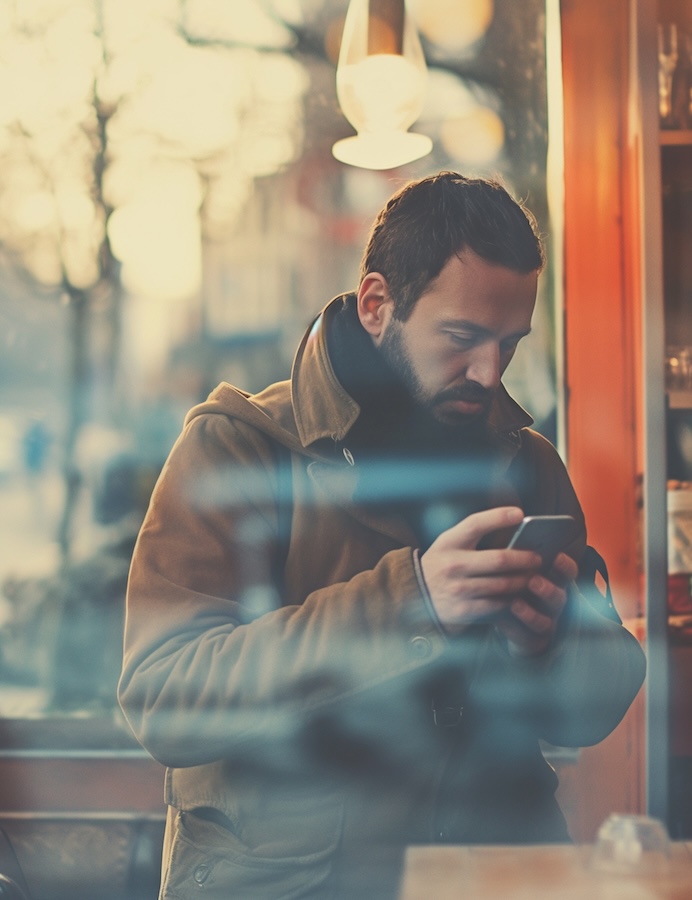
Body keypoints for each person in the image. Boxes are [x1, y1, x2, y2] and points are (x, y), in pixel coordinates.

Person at [118, 171, 646, 900]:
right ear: (376, 305)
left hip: (499, 879)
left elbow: (595, 707)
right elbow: (163, 699)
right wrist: (412, 601)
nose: (489, 374)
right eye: (462, 338)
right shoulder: (239, 448)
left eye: (510, 343)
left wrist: (550, 643)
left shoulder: (526, 462)